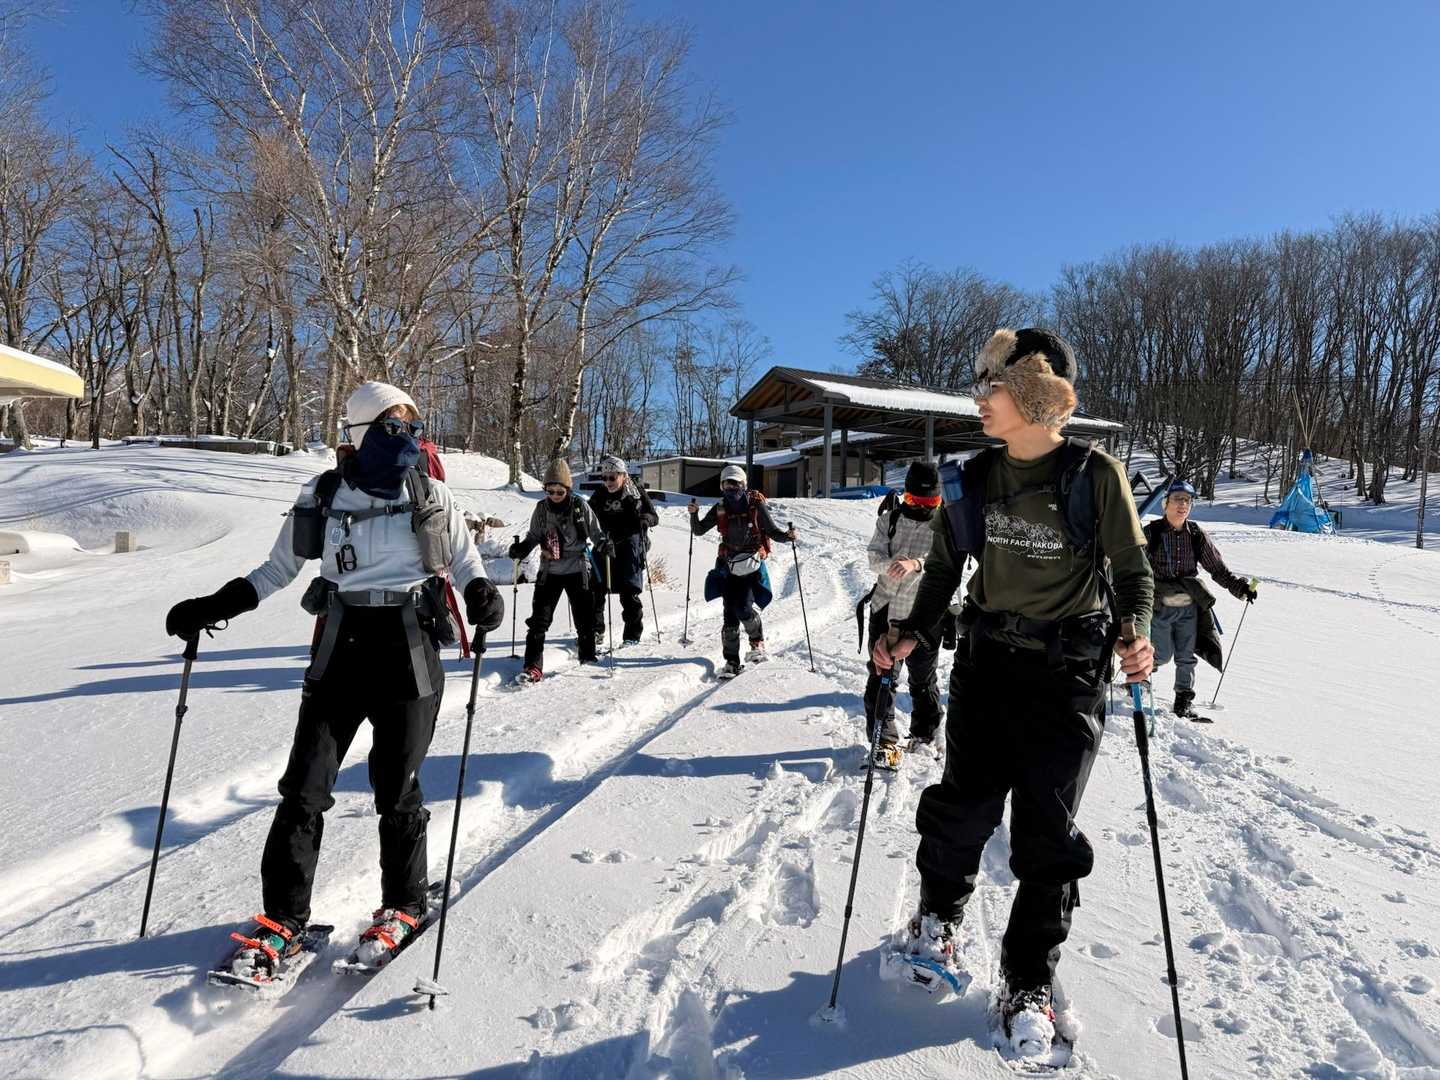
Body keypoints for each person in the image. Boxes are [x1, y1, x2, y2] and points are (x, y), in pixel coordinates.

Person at [165, 381, 505, 980]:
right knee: (304, 787)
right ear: (359, 433)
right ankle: (283, 919)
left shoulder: (432, 494)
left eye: (412, 427)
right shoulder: (322, 495)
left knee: (395, 787)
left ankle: (404, 904)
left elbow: (463, 559)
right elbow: (278, 569)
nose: (406, 438)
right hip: (340, 648)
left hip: (408, 648)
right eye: (392, 427)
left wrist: (480, 590)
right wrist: (217, 604)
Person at [873, 328, 1154, 1052]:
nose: (977, 399)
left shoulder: (1095, 475)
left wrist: (1136, 632)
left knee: (1047, 832)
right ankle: (938, 923)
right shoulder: (972, 477)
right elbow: (944, 570)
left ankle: (1028, 977)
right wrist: (912, 633)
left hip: (1069, 676)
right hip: (988, 663)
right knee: (962, 805)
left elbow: (1132, 571)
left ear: (1032, 393)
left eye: (989, 386)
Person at [1143, 479, 1257, 717]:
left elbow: (1218, 570)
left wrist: (1241, 589)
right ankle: (1140, 678)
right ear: (1165, 503)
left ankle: (1183, 700)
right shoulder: (1151, 533)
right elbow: (1134, 567)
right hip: (1159, 606)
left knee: (1186, 657)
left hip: (1189, 606)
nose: (1183, 505)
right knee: (1161, 654)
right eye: (1177, 499)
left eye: (1187, 500)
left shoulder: (1196, 535)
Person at [861, 461, 947, 769]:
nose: (921, 508)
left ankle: (925, 732)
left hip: (925, 615)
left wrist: (916, 563)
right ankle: (884, 742)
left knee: (922, 678)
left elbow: (945, 564)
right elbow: (873, 558)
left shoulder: (945, 524)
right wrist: (895, 564)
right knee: (882, 674)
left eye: (929, 502)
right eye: (914, 500)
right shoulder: (890, 519)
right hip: (885, 610)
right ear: (904, 495)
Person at [688, 464, 796, 678]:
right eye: (726, 484)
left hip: (751, 565)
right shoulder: (720, 508)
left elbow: (772, 530)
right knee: (729, 613)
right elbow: (699, 530)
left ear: (743, 485)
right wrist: (694, 514)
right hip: (727, 566)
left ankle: (757, 643)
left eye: (734, 484)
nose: (730, 488)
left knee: (744, 609)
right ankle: (731, 662)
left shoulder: (756, 506)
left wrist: (787, 536)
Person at [507, 460, 610, 683]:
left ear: (568, 489)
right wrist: (521, 549)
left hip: (577, 569)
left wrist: (603, 544)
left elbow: (595, 532)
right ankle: (533, 666)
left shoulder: (579, 506)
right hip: (549, 570)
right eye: (550, 491)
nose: (554, 495)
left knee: (584, 619)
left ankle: (587, 657)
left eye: (559, 491)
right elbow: (534, 536)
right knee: (539, 621)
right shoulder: (541, 509)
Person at [588, 455, 659, 648]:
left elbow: (654, 516)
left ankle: (632, 636)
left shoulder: (635, 493)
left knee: (629, 593)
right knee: (595, 590)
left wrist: (645, 519)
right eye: (604, 477)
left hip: (630, 546)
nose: (608, 482)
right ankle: (596, 631)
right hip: (605, 545)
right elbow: (588, 516)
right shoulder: (599, 494)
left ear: (623, 475)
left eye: (612, 477)